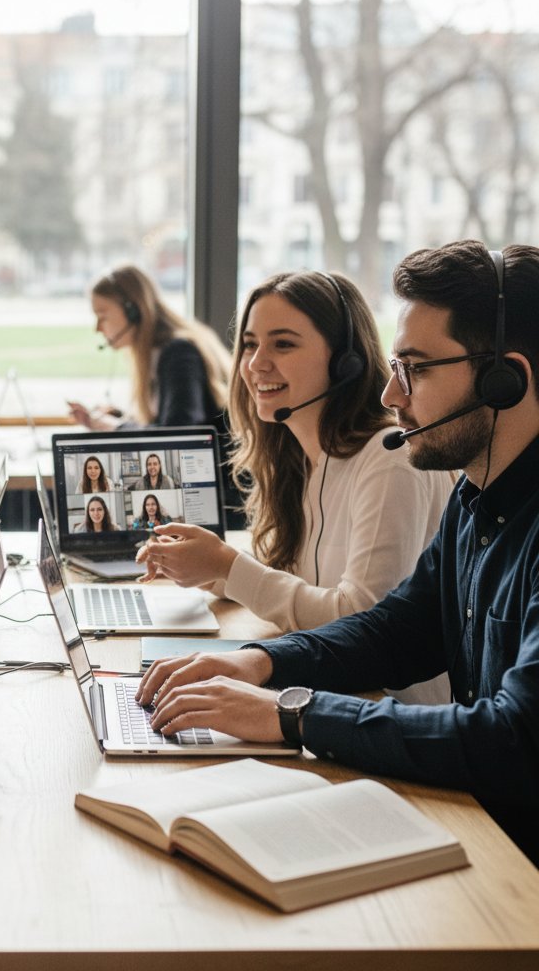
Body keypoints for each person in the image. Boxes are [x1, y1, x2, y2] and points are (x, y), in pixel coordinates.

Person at [136, 241, 539, 865]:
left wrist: (292, 715)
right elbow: (396, 630)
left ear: (505, 380)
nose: (390, 395)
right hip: (483, 829)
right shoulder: (476, 496)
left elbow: (513, 740)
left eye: (417, 368)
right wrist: (260, 664)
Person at [137, 271, 452, 700]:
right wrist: (205, 568)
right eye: (250, 344)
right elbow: (296, 586)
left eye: (282, 344)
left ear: (346, 361)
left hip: (386, 715)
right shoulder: (302, 459)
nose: (256, 363)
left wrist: (229, 567)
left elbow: (358, 620)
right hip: (329, 697)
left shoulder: (390, 457)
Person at [67, 264, 232, 431]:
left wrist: (117, 427)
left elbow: (178, 434)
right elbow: (164, 421)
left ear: (133, 312)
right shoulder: (158, 354)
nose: (98, 328)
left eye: (102, 317)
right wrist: (117, 417)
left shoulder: (179, 354)